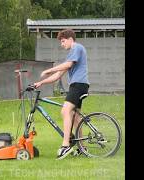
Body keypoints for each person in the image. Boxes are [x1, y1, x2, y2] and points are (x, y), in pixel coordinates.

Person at [33, 29, 89, 160]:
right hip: (80, 85)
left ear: (70, 39)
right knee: (75, 118)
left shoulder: (77, 48)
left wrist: (48, 70)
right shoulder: (72, 54)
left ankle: (65, 145)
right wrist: (40, 83)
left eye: (63, 41)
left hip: (78, 85)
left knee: (65, 111)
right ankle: (82, 147)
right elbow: (58, 75)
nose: (62, 44)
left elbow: (67, 65)